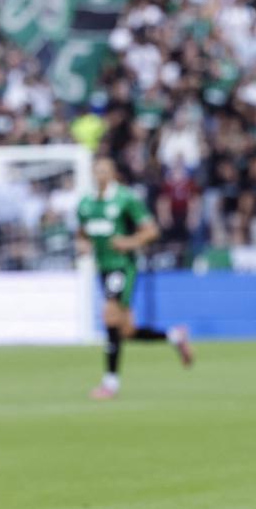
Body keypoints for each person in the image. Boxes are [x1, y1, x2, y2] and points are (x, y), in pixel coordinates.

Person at [77, 156, 193, 399]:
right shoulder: (86, 203)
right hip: (103, 267)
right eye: (96, 171)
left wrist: (129, 242)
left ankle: (110, 383)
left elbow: (151, 230)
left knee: (108, 314)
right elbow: (82, 233)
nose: (100, 175)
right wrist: (83, 245)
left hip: (123, 266)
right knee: (126, 331)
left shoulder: (125, 199)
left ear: (113, 173)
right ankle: (175, 336)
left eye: (104, 171)